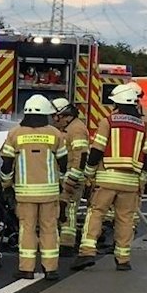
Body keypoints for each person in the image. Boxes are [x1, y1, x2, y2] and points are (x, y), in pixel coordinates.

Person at [75, 82, 147, 272]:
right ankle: (123, 259)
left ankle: (87, 252)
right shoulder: (143, 125)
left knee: (96, 213)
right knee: (125, 219)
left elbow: (97, 150)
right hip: (131, 182)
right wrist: (142, 180)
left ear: (117, 103)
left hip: (107, 178)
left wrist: (89, 174)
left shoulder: (108, 121)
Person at [0, 95, 67, 280]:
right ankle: (50, 269)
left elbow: (6, 163)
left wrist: (6, 184)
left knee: (27, 229)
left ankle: (26, 269)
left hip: (25, 192)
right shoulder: (55, 134)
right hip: (50, 192)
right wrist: (61, 183)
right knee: (50, 229)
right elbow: (64, 163)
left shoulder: (15, 133)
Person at [57, 97, 93, 246]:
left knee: (68, 210)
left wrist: (72, 179)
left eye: (56, 116)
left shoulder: (76, 129)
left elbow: (81, 155)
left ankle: (67, 243)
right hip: (66, 176)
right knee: (63, 209)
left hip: (72, 177)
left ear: (66, 115)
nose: (54, 120)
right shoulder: (68, 128)